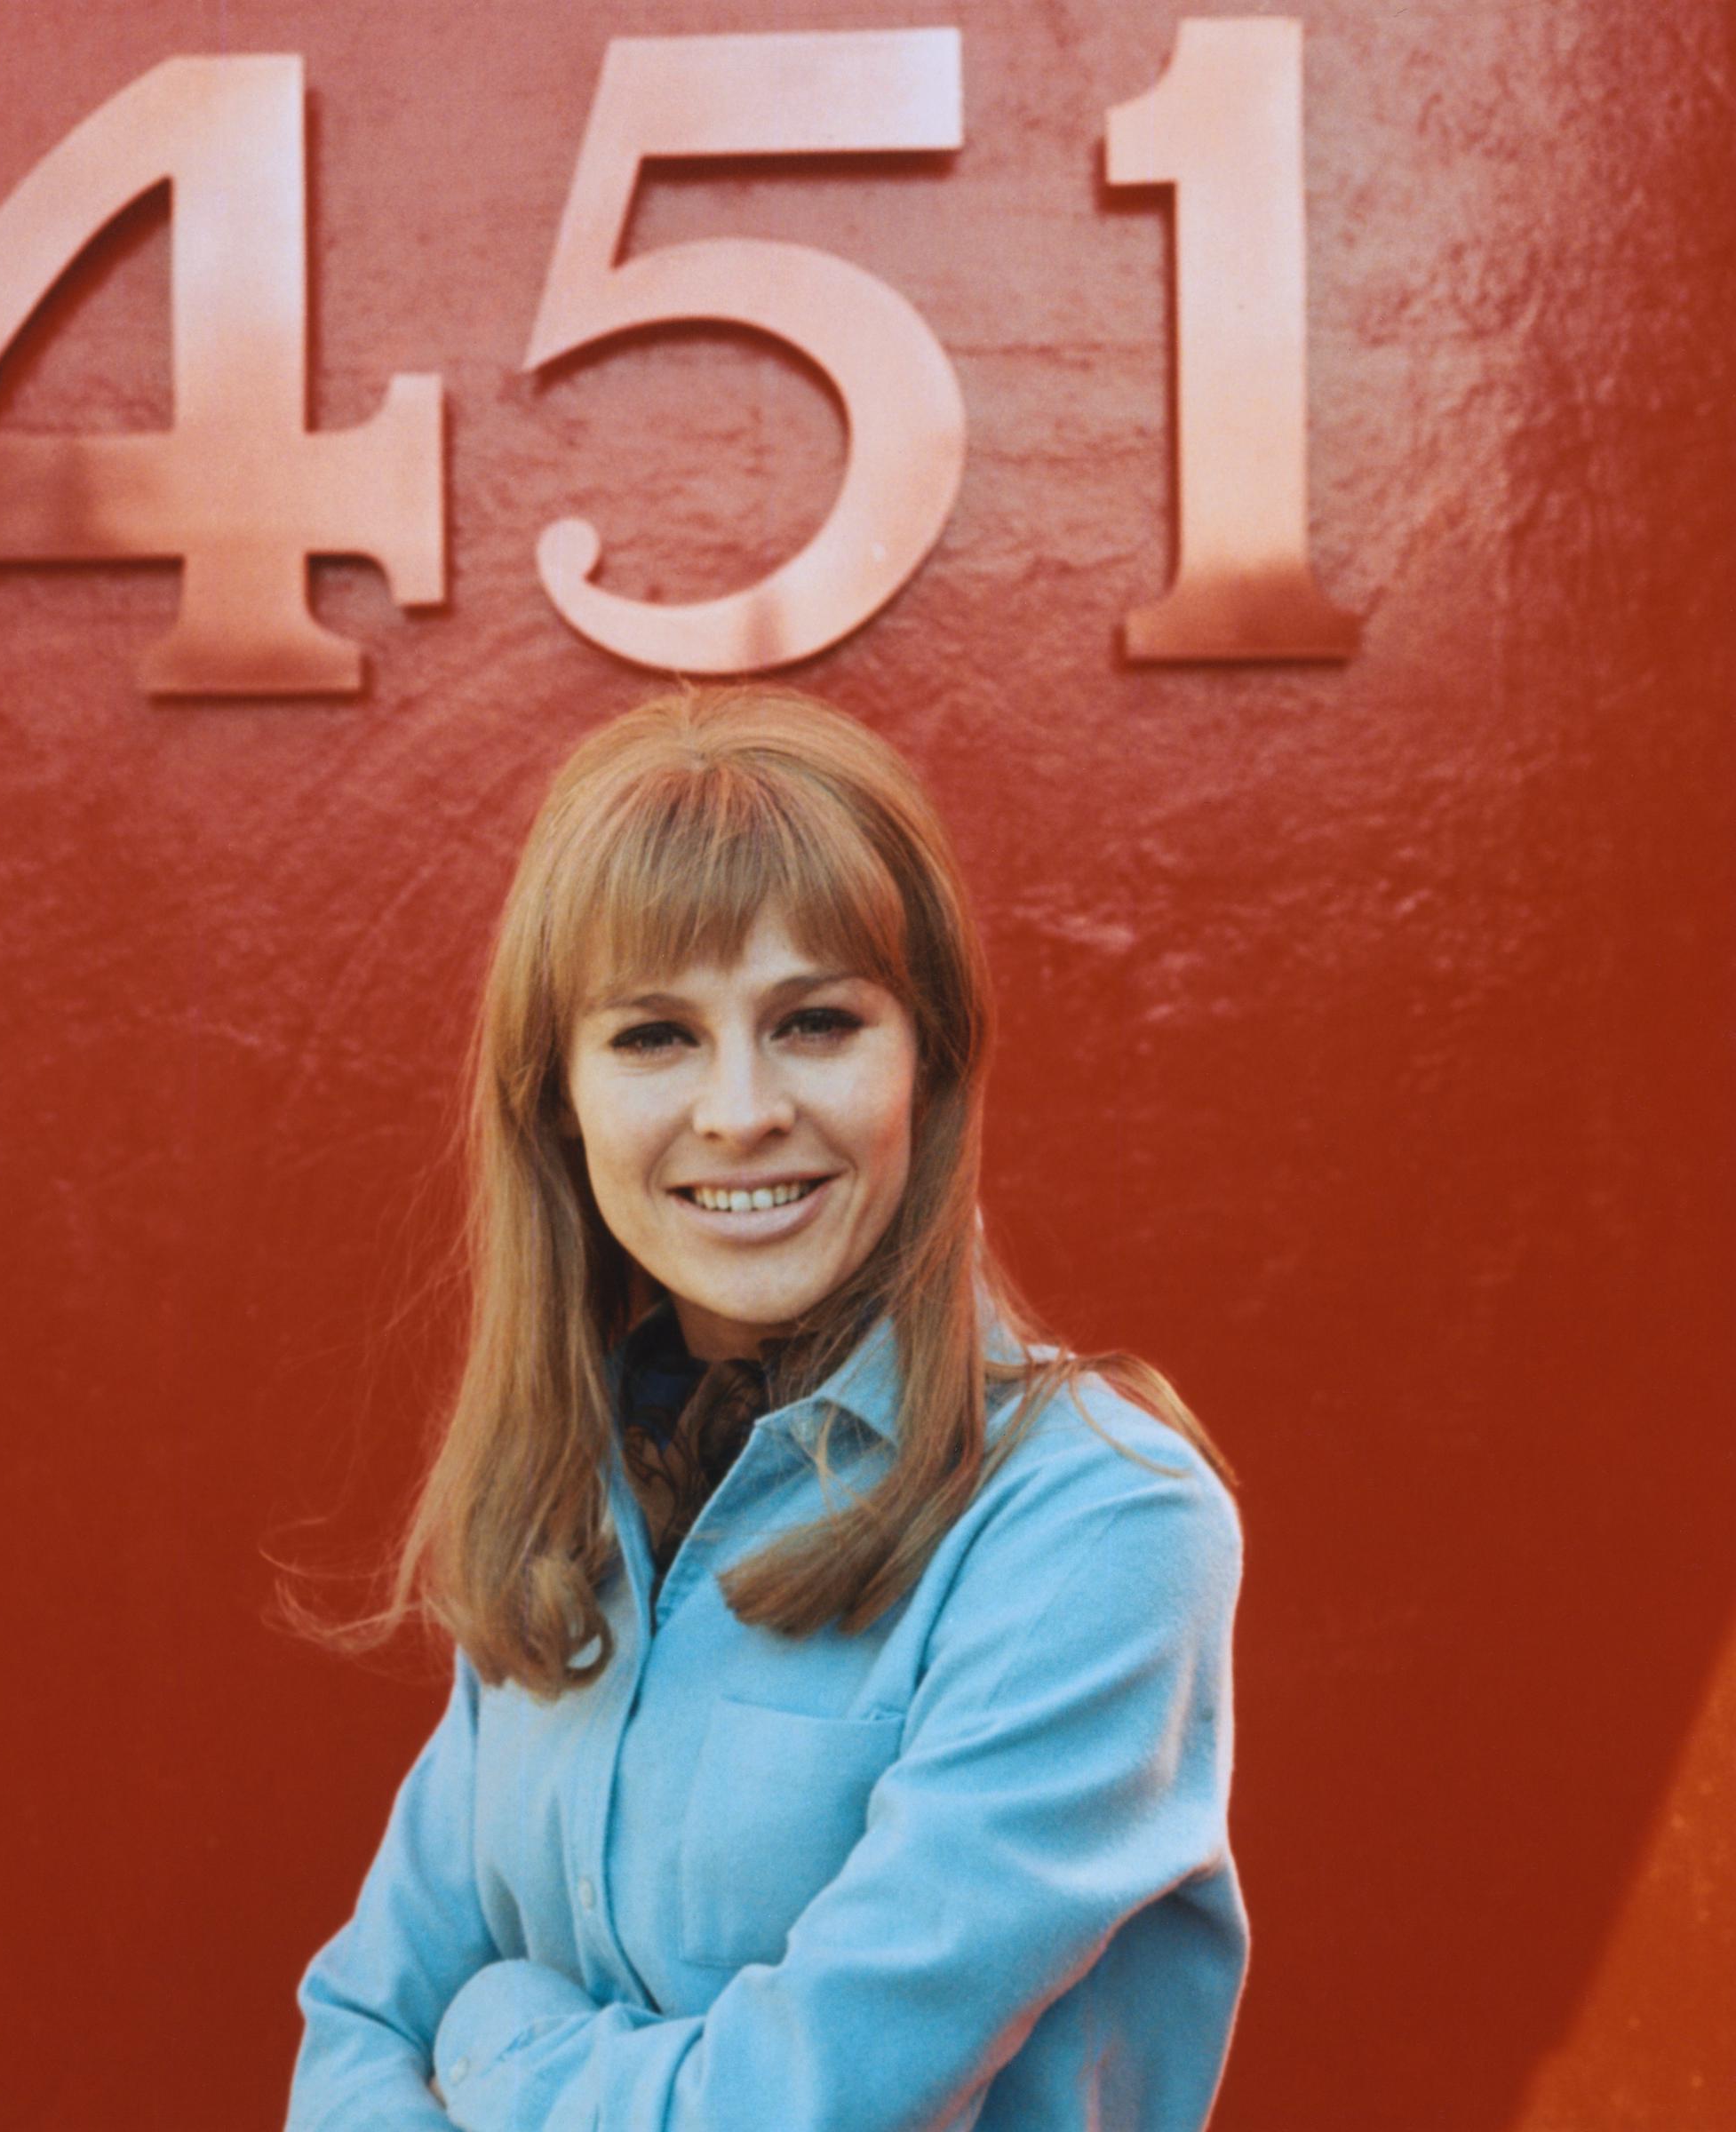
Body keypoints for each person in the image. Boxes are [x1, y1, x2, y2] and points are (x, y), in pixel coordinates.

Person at [281, 684, 1246, 2132]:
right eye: (656, 1036)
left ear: (927, 1061)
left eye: (813, 1021)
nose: (739, 1109)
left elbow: (802, 2109)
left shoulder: (1099, 1525)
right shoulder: (575, 1505)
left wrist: (502, 2047)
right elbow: (359, 2024)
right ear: (560, 1101)